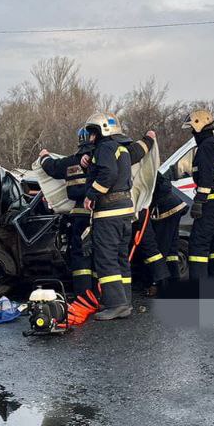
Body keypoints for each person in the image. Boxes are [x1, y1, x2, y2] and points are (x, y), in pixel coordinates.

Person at [82, 112, 135, 320]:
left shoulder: (105, 148)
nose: (91, 138)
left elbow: (108, 173)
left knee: (106, 258)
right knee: (121, 258)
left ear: (101, 131)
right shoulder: (121, 148)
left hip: (108, 213)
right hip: (124, 211)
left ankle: (116, 304)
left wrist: (91, 194)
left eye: (92, 133)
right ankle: (125, 301)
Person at [38, 128, 96, 298]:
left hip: (80, 215)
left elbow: (51, 168)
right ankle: (101, 295)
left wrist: (44, 156)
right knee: (101, 253)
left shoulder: (70, 162)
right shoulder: (104, 158)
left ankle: (84, 297)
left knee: (80, 255)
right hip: (101, 215)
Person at [184, 108, 214, 279]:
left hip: (210, 201)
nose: (191, 133)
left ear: (199, 126)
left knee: (198, 244)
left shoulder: (205, 147)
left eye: (192, 129)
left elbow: (206, 176)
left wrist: (199, 201)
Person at [120, 129, 170, 291]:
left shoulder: (125, 160)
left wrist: (148, 203)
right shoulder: (137, 162)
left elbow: (161, 186)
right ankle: (159, 281)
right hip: (139, 210)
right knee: (147, 247)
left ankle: (161, 281)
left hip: (138, 211)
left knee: (147, 246)